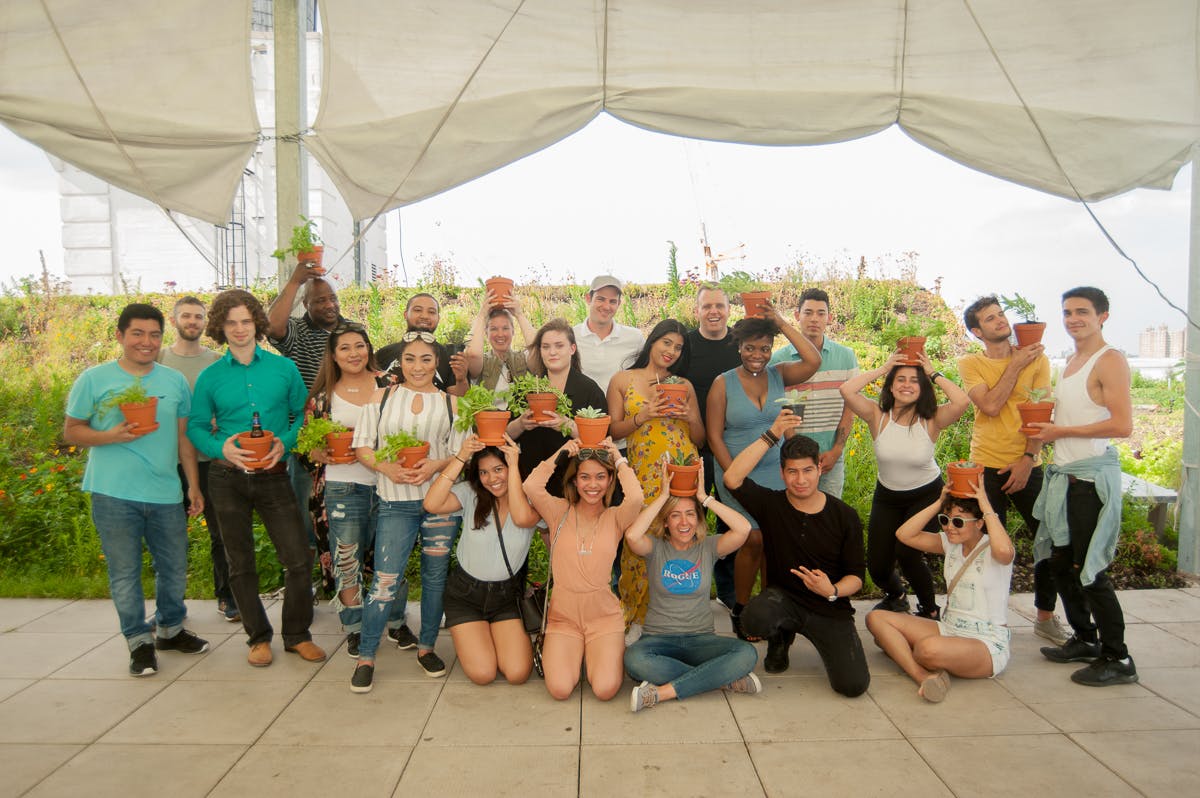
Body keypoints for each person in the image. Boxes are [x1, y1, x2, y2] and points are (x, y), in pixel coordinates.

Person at [64, 303, 209, 676]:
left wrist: (192, 485)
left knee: (174, 568)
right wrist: (109, 435)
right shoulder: (94, 379)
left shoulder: (173, 380)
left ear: (164, 337)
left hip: (164, 490)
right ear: (120, 335)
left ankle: (170, 628)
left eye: (154, 335)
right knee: (125, 572)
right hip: (113, 492)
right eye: (138, 334)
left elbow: (183, 438)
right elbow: (72, 431)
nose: (146, 342)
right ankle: (138, 641)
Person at [189, 290, 326, 668]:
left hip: (274, 475)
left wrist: (284, 442)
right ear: (220, 327)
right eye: (230, 322)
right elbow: (198, 427)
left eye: (245, 321)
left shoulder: (283, 369)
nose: (238, 329)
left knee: (298, 559)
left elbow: (302, 415)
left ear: (257, 325)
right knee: (239, 562)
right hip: (226, 477)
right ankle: (257, 637)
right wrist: (221, 449)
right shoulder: (210, 377)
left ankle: (297, 634)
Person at [1031, 287, 1137, 687]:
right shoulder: (1072, 360)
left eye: (1082, 312)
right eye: (1067, 312)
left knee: (1090, 571)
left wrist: (1060, 430)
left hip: (1090, 480)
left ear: (1103, 316)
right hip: (1065, 477)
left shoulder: (1109, 360)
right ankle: (1086, 639)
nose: (1073, 318)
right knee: (1060, 564)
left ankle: (1118, 657)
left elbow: (1122, 425)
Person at [349, 331, 464, 690]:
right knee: (385, 579)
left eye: (426, 359)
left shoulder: (452, 405)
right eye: (410, 359)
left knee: (434, 579)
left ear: (437, 363)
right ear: (400, 361)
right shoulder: (381, 397)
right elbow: (363, 446)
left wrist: (434, 465)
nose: (418, 367)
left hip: (440, 503)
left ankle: (426, 647)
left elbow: (461, 452)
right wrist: (385, 468)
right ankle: (367, 654)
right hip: (395, 502)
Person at [958, 295, 1069, 646]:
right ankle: (991, 621)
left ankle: (1045, 617)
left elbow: (1041, 412)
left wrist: (1027, 459)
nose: (1000, 321)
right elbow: (990, 406)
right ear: (978, 331)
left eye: (1001, 314)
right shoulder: (971, 363)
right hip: (986, 466)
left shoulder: (1038, 360)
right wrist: (1016, 365)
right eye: (990, 319)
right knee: (993, 547)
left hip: (1025, 463)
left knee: (1049, 538)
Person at [723, 431, 869, 696]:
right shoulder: (771, 504)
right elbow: (732, 478)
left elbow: (857, 576)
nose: (800, 480)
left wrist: (833, 590)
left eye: (807, 470)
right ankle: (780, 636)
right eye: (792, 472)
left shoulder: (844, 516)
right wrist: (771, 435)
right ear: (782, 473)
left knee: (853, 685)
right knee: (753, 619)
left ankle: (808, 632)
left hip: (828, 607)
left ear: (820, 469)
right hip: (784, 600)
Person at [707, 307, 821, 639]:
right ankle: (741, 608)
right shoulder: (722, 383)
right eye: (750, 348)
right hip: (736, 471)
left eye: (765, 348)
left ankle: (771, 606)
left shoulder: (779, 374)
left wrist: (782, 323)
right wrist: (734, 477)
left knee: (774, 541)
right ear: (738, 346)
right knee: (752, 537)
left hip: (774, 472)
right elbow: (714, 435)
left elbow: (812, 361)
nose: (757, 355)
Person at [840, 350, 969, 619]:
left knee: (908, 554)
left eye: (914, 380)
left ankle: (930, 609)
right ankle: (896, 595)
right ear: (891, 385)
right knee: (877, 566)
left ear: (922, 388)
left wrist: (933, 373)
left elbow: (961, 401)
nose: (907, 385)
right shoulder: (877, 415)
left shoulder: (931, 419)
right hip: (887, 496)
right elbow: (847, 390)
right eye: (900, 379)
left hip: (926, 495)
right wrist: (883, 368)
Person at [301, 322, 405, 658]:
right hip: (343, 486)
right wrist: (314, 453)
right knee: (348, 559)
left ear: (368, 348)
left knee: (393, 556)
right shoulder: (322, 399)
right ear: (333, 355)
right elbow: (306, 449)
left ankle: (396, 621)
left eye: (359, 345)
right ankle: (355, 627)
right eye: (344, 348)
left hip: (390, 485)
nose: (353, 353)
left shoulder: (390, 385)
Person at [624, 458, 761, 713]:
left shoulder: (707, 547)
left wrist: (704, 498)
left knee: (747, 654)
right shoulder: (655, 548)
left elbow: (742, 529)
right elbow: (632, 535)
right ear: (666, 522)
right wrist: (664, 496)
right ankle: (721, 680)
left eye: (690, 514)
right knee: (634, 660)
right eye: (675, 516)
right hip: (658, 640)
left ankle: (662, 693)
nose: (683, 522)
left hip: (701, 640)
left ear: (698, 520)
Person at [867, 481, 1015, 703]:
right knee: (876, 618)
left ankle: (908, 654)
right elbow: (904, 534)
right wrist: (939, 503)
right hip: (948, 629)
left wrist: (984, 503)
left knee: (925, 649)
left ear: (980, 523)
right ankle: (922, 675)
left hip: (985, 642)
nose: (949, 527)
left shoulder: (994, 548)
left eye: (958, 522)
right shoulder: (950, 543)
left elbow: (1005, 551)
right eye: (945, 520)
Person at [524, 438, 644, 701]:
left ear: (610, 480)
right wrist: (564, 450)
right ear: (574, 481)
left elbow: (636, 498)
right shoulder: (558, 511)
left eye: (601, 477)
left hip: (603, 619)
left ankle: (594, 652)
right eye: (585, 477)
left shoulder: (615, 517)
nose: (592, 485)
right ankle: (576, 652)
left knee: (605, 689)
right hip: (563, 620)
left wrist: (618, 458)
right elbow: (531, 486)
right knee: (560, 689)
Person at [607, 319, 706, 630]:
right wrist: (643, 415)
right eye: (667, 343)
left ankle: (678, 616)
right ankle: (636, 619)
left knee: (680, 543)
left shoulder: (684, 385)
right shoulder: (623, 380)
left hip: (683, 475)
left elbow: (700, 440)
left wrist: (691, 416)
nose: (672, 351)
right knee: (639, 544)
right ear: (652, 342)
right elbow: (612, 430)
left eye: (678, 347)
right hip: (644, 476)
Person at [421, 433, 540, 687]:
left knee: (518, 673)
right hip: (465, 596)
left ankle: (494, 635)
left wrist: (515, 465)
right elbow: (431, 504)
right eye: (484, 472)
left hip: (506, 597)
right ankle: (480, 635)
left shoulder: (531, 502)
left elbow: (521, 519)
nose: (491, 479)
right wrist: (462, 456)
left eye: (499, 469)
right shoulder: (470, 494)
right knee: (483, 674)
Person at [266, 263, 350, 588]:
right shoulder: (297, 333)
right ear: (306, 306)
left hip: (347, 439)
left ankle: (344, 579)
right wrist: (296, 280)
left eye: (332, 298)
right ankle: (307, 584)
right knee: (305, 516)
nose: (329, 305)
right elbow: (273, 326)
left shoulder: (351, 329)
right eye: (320, 301)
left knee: (346, 513)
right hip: (306, 443)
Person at [157, 295, 237, 623]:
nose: (192, 321)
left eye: (198, 316)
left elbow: (232, 406)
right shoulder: (158, 361)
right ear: (174, 320)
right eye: (186, 316)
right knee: (169, 536)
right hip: (166, 462)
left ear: (206, 322)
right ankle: (170, 605)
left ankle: (227, 596)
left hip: (212, 460)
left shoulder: (219, 362)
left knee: (223, 532)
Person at [682, 285, 742, 609]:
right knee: (693, 518)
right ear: (697, 311)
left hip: (734, 446)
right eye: (707, 306)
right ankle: (692, 588)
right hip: (694, 446)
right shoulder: (686, 347)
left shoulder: (739, 345)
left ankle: (728, 589)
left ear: (729, 310)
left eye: (719, 305)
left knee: (730, 516)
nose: (714, 311)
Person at [768, 287, 859, 497]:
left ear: (829, 318)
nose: (814, 319)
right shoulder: (778, 360)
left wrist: (837, 450)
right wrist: (796, 452)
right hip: (793, 457)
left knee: (829, 516)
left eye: (821, 313)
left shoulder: (846, 357)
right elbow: (779, 410)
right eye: (808, 312)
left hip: (830, 457)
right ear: (797, 316)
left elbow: (850, 408)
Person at [509, 318, 607, 485]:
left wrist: (566, 424)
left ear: (572, 349)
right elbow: (505, 435)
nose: (552, 352)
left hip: (575, 484)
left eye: (559, 345)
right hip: (533, 481)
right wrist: (521, 423)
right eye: (546, 347)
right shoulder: (527, 389)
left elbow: (602, 442)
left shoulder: (589, 390)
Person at [376, 293, 468, 397]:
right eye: (418, 310)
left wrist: (461, 379)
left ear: (438, 318)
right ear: (405, 314)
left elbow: (458, 400)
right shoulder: (383, 354)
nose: (424, 316)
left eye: (431, 312)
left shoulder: (449, 357)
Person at [572, 275, 644, 395]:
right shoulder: (571, 336)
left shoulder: (635, 338)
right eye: (601, 299)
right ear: (588, 298)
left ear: (619, 303)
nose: (606, 307)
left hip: (623, 412)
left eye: (612, 301)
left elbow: (650, 373)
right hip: (580, 412)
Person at [465, 291, 536, 394]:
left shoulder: (523, 358)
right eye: (493, 329)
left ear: (513, 331)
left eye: (505, 328)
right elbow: (473, 354)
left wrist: (519, 315)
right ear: (486, 333)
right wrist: (482, 315)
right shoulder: (482, 362)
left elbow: (537, 350)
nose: (500, 334)